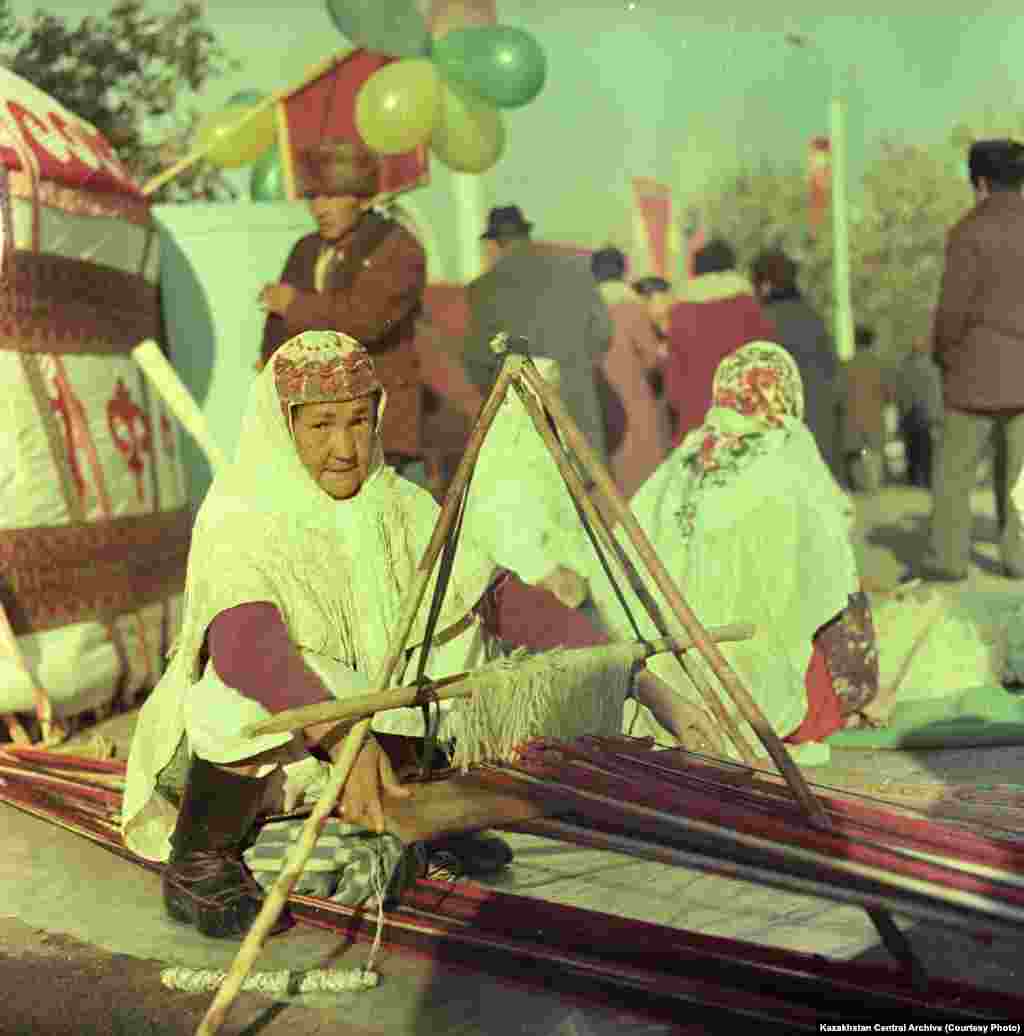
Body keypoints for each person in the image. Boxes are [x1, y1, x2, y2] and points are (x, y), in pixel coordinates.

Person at [122, 330, 697, 939]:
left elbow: (503, 599)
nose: (345, 448)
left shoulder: (400, 502)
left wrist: (643, 681)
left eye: (359, 421)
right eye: (320, 427)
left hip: (374, 741)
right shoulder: (242, 511)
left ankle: (422, 815)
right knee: (231, 697)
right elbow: (245, 648)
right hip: (288, 752)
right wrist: (344, 734)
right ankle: (200, 861)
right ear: (282, 426)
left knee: (477, 653)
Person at [577, 342, 878, 763]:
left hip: (677, 656)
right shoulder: (787, 443)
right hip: (752, 646)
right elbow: (831, 535)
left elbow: (628, 542)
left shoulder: (691, 451)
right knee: (813, 622)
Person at [258, 137, 427, 469]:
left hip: (380, 426)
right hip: (316, 428)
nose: (319, 208)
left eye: (333, 195)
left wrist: (294, 305)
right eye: (313, 196)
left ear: (363, 199)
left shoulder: (398, 248)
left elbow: (368, 320)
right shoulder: (305, 249)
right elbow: (275, 336)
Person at [923, 138, 1024, 582]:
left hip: (974, 370)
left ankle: (949, 558)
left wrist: (943, 355)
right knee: (1021, 477)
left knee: (956, 472)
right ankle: (1019, 557)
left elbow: (953, 311)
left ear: (979, 181)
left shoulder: (967, 232)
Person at [461, 205, 613, 463]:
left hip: (524, 425)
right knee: (590, 495)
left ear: (495, 244)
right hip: (579, 417)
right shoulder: (575, 272)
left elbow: (477, 363)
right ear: (526, 235)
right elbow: (603, 334)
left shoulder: (483, 290)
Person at [662, 239, 777, 446]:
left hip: (697, 425)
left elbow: (673, 389)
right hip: (744, 424)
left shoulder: (680, 313)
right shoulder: (749, 308)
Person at [751, 248, 841, 481]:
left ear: (764, 284)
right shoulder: (812, 318)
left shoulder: (762, 321)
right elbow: (832, 372)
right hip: (819, 429)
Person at [590, 247, 669, 497]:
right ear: (622, 271)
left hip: (597, 400)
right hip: (634, 401)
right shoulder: (631, 306)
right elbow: (652, 357)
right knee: (640, 478)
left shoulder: (586, 308)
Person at [837, 325, 894, 493]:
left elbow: (838, 393)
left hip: (852, 420)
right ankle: (873, 486)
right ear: (872, 343)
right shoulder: (880, 366)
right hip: (873, 419)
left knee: (854, 454)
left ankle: (859, 485)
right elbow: (889, 393)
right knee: (874, 453)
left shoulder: (846, 366)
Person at [895, 338, 944, 489]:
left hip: (913, 415)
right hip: (924, 415)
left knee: (914, 451)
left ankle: (915, 480)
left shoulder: (905, 366)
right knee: (926, 450)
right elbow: (936, 392)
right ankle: (926, 480)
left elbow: (902, 393)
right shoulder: (932, 365)